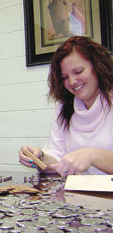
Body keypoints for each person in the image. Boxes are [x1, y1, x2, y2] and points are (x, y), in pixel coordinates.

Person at [19, 36, 113, 176]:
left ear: (98, 66)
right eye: (64, 77)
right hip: (80, 193)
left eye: (78, 71)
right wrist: (40, 157)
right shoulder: (65, 108)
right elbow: (57, 159)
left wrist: (92, 155)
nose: (72, 81)